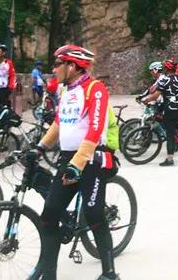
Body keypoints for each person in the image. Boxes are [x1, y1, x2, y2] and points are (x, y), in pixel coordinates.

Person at [32, 45, 121, 280]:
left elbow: (95, 128)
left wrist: (77, 164)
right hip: (68, 158)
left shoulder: (95, 89)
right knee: (49, 217)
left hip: (91, 159)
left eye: (57, 64)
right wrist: (39, 148)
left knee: (94, 215)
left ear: (71, 66)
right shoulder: (66, 91)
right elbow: (59, 124)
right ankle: (49, 276)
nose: (53, 69)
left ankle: (109, 273)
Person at [142, 59, 178, 164]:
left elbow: (156, 95)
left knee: (170, 135)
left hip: (169, 111)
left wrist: (147, 100)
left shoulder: (164, 80)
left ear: (166, 70)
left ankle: (170, 159)